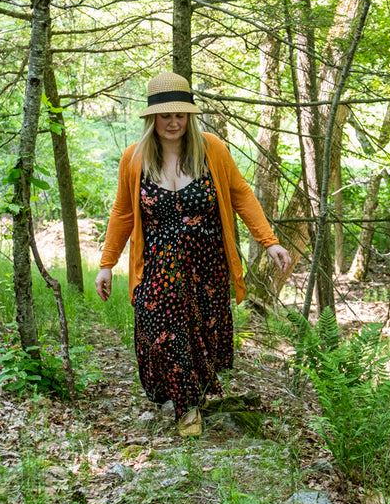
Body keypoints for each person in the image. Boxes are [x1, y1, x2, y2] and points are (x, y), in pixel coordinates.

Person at [95, 72, 291, 437]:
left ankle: (193, 398)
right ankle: (187, 411)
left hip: (207, 265)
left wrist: (269, 241)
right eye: (165, 115)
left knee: (200, 336)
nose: (173, 122)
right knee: (159, 328)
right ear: (152, 117)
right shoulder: (134, 159)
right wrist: (107, 264)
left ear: (190, 116)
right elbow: (122, 213)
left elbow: (241, 194)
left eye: (180, 115)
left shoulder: (212, 150)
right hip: (158, 266)